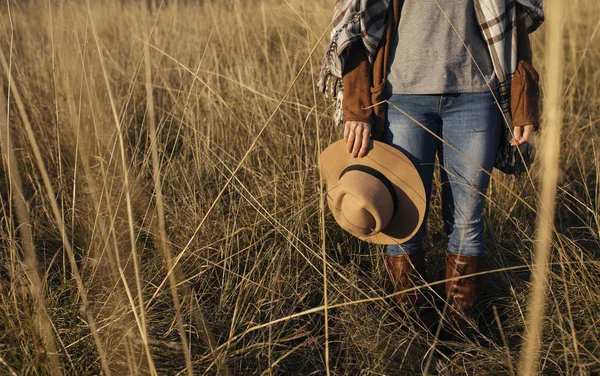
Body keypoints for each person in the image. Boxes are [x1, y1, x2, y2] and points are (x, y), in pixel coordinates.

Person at [319, 0, 544, 332]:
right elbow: (355, 23)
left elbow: (515, 20)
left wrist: (523, 101)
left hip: (477, 94)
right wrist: (357, 106)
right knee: (401, 219)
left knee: (468, 220)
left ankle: (459, 330)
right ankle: (413, 329)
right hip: (402, 96)